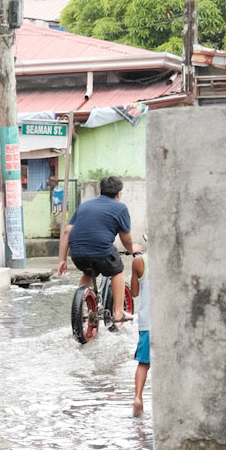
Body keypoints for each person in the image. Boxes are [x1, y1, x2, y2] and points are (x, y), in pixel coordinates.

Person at [57, 174, 136, 324]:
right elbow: (126, 239)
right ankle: (119, 312)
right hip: (102, 252)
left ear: (101, 191)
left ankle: (83, 308)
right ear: (119, 194)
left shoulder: (84, 205)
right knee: (118, 270)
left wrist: (62, 260)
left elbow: (67, 231)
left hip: (77, 254)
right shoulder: (120, 208)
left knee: (88, 272)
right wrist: (132, 249)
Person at [133, 256, 151, 415]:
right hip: (170, 322)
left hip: (147, 323)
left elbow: (134, 292)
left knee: (143, 364)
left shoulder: (139, 261)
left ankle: (138, 397)